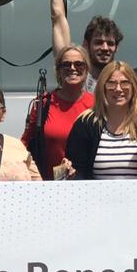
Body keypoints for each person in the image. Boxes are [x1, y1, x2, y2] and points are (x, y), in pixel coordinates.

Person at [63, 61, 137, 180]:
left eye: (125, 83)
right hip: (95, 197)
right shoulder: (86, 123)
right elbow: (77, 171)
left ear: (134, 87)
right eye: (111, 83)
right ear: (103, 87)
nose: (118, 89)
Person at [22, 44, 94, 179]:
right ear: (58, 70)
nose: (73, 68)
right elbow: (25, 142)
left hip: (86, 184)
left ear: (86, 70)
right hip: (48, 185)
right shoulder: (43, 103)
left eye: (79, 64)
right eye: (66, 65)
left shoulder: (96, 104)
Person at [49, 0, 124, 92]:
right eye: (98, 42)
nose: (105, 48)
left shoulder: (123, 82)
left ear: (117, 47)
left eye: (110, 43)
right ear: (85, 44)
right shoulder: (74, 74)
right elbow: (57, 17)